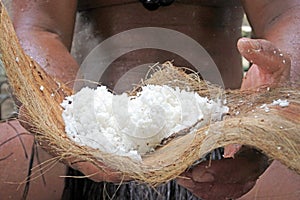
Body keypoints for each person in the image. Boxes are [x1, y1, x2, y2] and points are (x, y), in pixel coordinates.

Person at [0, 0, 299, 199]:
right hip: (82, 138)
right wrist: (65, 113)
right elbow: (40, 26)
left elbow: (285, 15)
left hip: (223, 130)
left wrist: (270, 108)